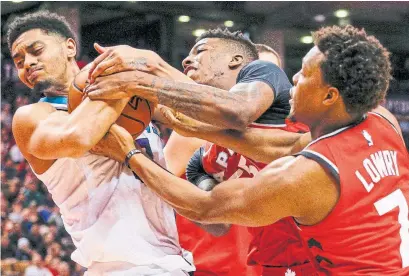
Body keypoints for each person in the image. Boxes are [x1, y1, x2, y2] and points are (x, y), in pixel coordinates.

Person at [90, 25, 409, 275]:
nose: (294, 78)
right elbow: (271, 143)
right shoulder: (381, 123)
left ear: (330, 97)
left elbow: (206, 208)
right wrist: (186, 126)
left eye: (304, 74)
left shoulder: (304, 174)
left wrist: (129, 153)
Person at [85, 29, 312, 274]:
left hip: (322, 249)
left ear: (237, 62)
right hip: (269, 262)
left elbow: (237, 112)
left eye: (201, 50)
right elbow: (211, 216)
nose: (186, 60)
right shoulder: (204, 159)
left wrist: (149, 70)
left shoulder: (263, 73)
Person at [8, 11, 194, 275]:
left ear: (70, 47)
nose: (27, 63)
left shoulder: (132, 103)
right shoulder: (32, 117)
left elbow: (195, 123)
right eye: (19, 61)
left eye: (36, 50)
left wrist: (151, 67)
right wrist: (123, 79)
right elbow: (78, 137)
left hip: (170, 260)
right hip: (117, 267)